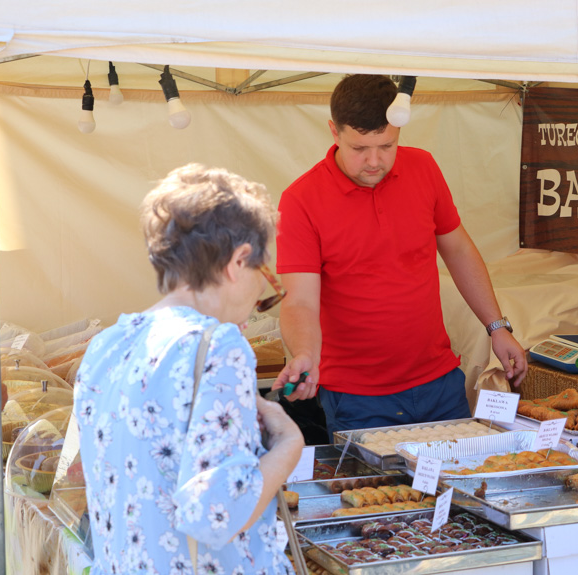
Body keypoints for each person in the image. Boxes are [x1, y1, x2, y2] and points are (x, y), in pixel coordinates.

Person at [74, 164, 304, 575]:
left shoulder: (105, 345)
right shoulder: (217, 345)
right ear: (239, 261)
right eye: (263, 275)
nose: (258, 294)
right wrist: (288, 445)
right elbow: (218, 514)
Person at [275, 74, 527, 437]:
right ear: (334, 131)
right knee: (378, 495)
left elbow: (458, 250)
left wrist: (496, 326)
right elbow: (299, 301)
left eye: (387, 146)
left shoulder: (423, 167)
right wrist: (304, 355)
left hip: (439, 382)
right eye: (359, 148)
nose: (375, 161)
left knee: (460, 487)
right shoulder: (301, 200)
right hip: (356, 397)